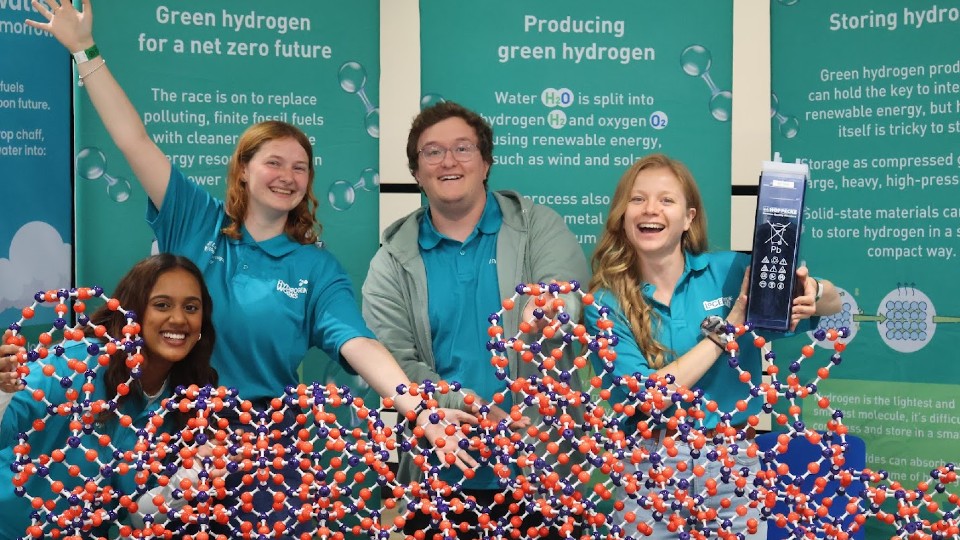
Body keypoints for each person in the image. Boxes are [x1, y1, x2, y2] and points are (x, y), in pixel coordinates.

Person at [25, 0, 476, 475]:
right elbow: (133, 140)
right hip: (174, 437)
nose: (287, 176)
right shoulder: (194, 220)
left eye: (300, 168)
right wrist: (85, 51)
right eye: (274, 163)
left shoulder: (315, 268)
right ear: (243, 171)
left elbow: (359, 344)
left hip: (266, 450)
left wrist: (419, 410)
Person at [362, 101, 589, 539]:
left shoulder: (539, 226)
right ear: (416, 172)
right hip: (441, 471)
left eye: (463, 148)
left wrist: (551, 304)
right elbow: (392, 362)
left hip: (542, 469)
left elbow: (566, 292)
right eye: (432, 152)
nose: (449, 161)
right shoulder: (391, 260)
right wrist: (462, 405)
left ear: (486, 163)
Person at [584, 153, 842, 539]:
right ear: (622, 215)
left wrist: (814, 291)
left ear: (688, 218)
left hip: (733, 461)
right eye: (637, 199)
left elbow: (834, 303)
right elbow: (649, 397)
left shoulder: (731, 271)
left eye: (666, 200)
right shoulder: (605, 301)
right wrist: (731, 324)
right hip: (647, 466)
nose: (650, 209)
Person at [0, 254, 219, 539]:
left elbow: (139, 515)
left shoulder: (188, 401)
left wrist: (192, 476)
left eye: (191, 307)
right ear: (133, 311)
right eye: (162, 305)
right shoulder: (76, 362)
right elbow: (7, 427)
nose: (178, 319)